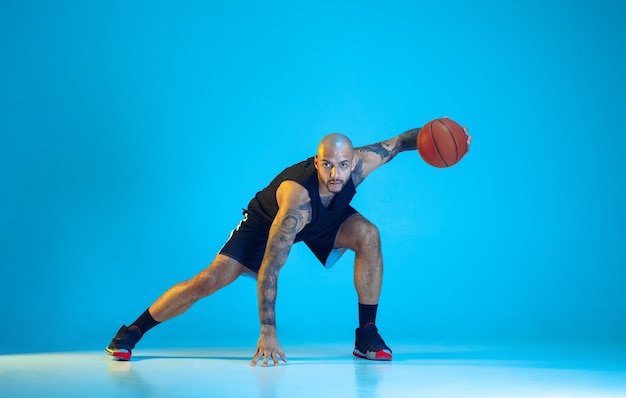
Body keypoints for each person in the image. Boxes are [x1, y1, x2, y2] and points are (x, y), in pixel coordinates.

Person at [105, 127, 468, 366]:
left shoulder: (360, 165)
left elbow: (405, 141)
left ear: (352, 161)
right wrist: (268, 329)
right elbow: (271, 268)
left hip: (325, 218)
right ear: (316, 162)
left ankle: (366, 335)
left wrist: (442, 128)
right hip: (267, 225)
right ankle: (134, 331)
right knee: (210, 280)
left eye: (342, 165)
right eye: (327, 165)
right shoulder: (296, 200)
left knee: (368, 234)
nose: (336, 174)